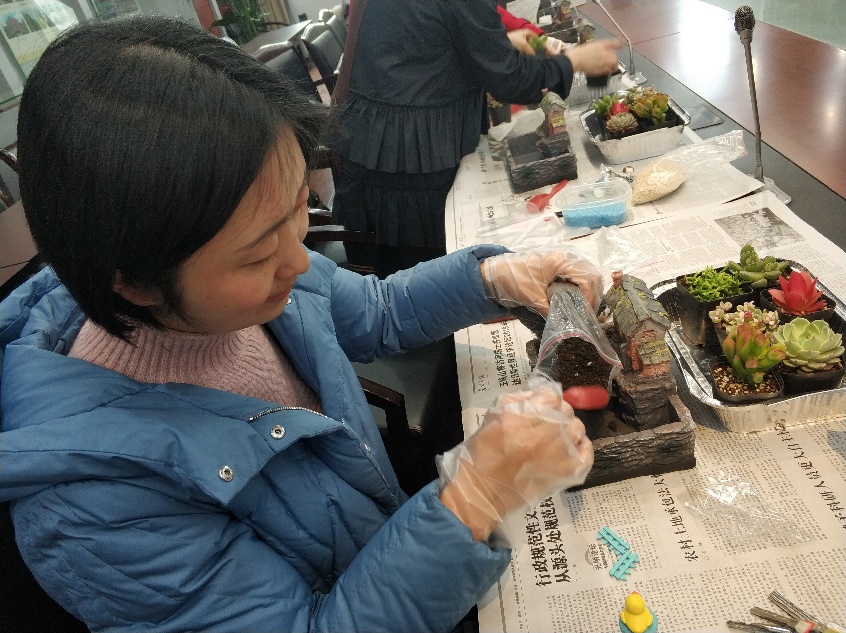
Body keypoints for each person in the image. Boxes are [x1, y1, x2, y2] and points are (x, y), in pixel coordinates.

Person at [0, 15, 602, 633]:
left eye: (298, 212)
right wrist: (473, 501)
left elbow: (376, 312)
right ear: (133, 282)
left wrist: (491, 279)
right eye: (258, 254)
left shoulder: (237, 287)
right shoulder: (96, 507)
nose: (298, 261)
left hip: (383, 541)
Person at [331, 0, 621, 277]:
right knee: (426, 281)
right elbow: (512, 81)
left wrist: (496, 45)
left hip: (381, 145)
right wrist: (575, 61)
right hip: (408, 161)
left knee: (404, 278)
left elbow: (419, 38)